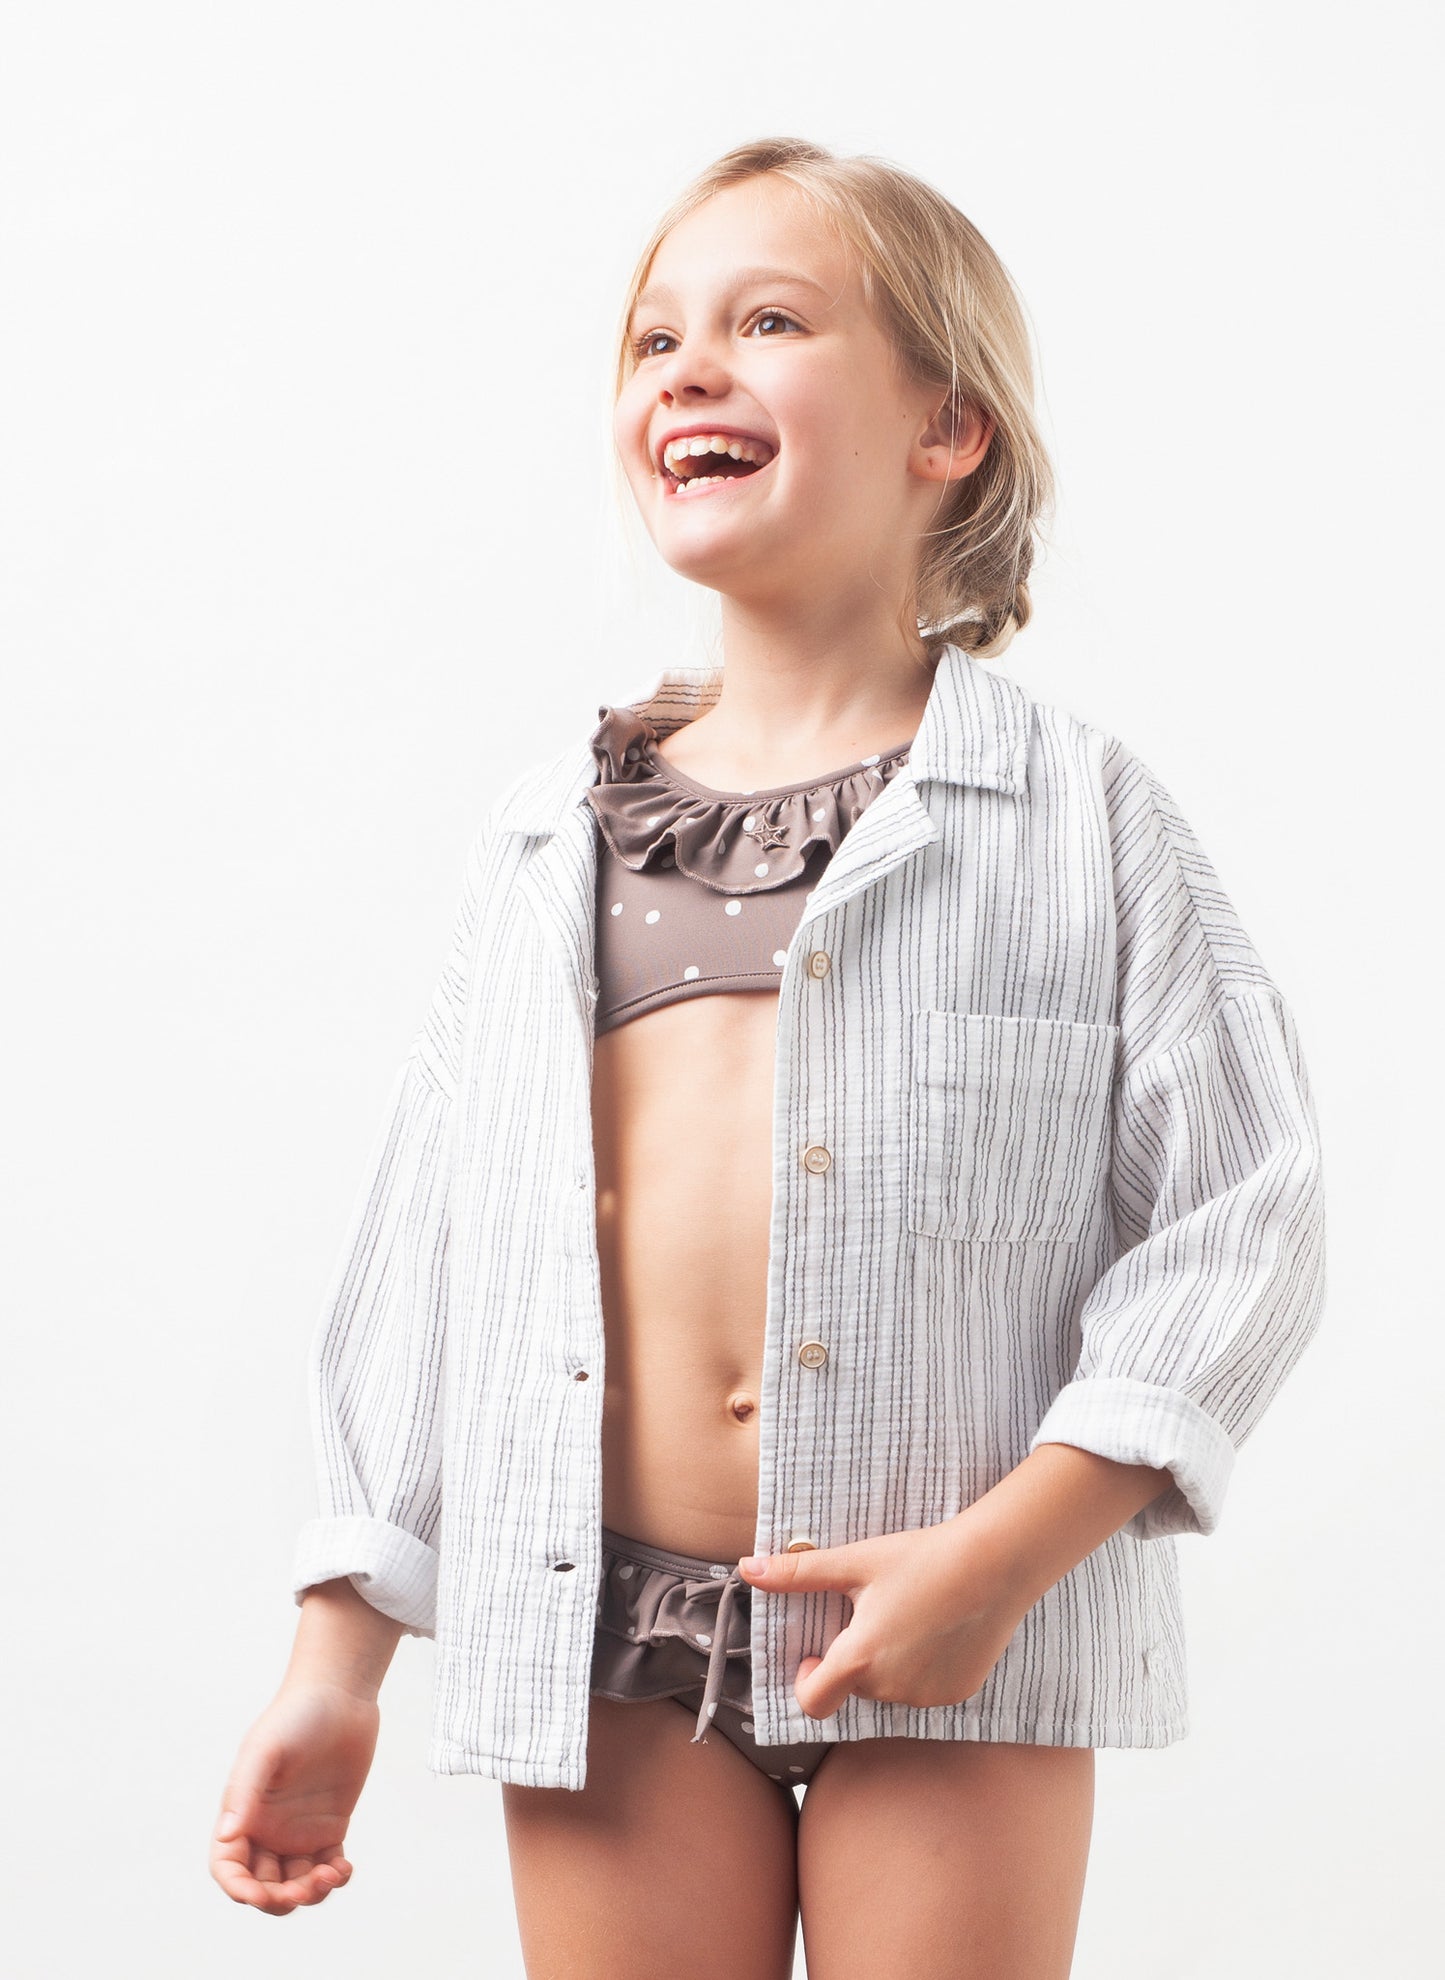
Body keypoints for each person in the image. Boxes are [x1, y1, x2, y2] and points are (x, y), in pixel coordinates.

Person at [210, 138, 1327, 1978]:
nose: (687, 370)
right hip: (606, 1649)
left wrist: (1006, 1553)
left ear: (945, 428)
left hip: (957, 1636)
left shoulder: (1080, 818)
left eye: (769, 322)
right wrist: (337, 1662)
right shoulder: (546, 843)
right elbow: (431, 1263)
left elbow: (1244, 1217)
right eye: (654, 340)